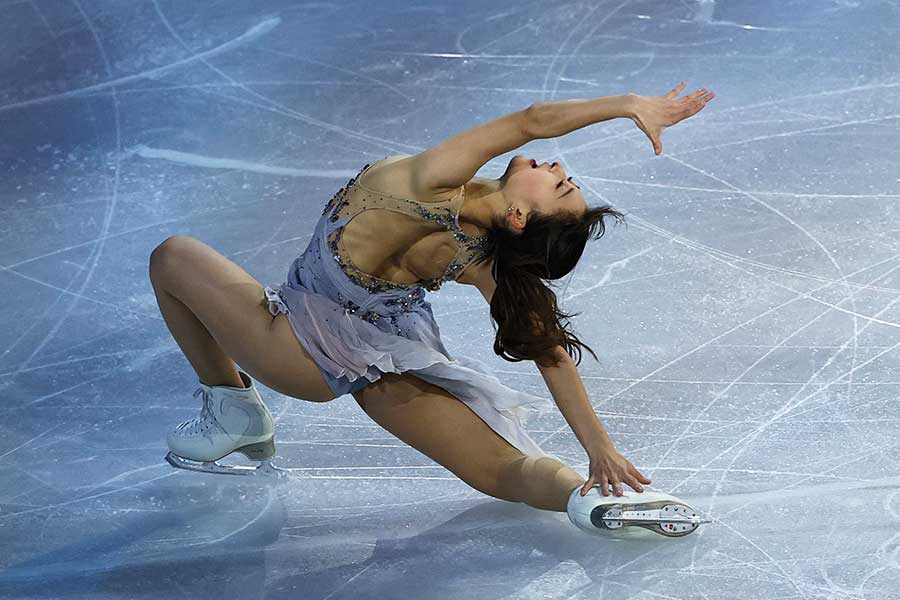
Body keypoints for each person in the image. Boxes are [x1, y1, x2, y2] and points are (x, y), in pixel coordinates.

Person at [150, 82, 716, 519]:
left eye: (561, 184)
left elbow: (531, 122)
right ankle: (586, 499)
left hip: (299, 347)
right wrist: (600, 449)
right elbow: (550, 351)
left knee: (173, 256)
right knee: (502, 472)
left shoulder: (437, 182)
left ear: (518, 217)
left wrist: (630, 104)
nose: (557, 166)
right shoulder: (480, 254)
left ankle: (233, 407)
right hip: (389, 352)